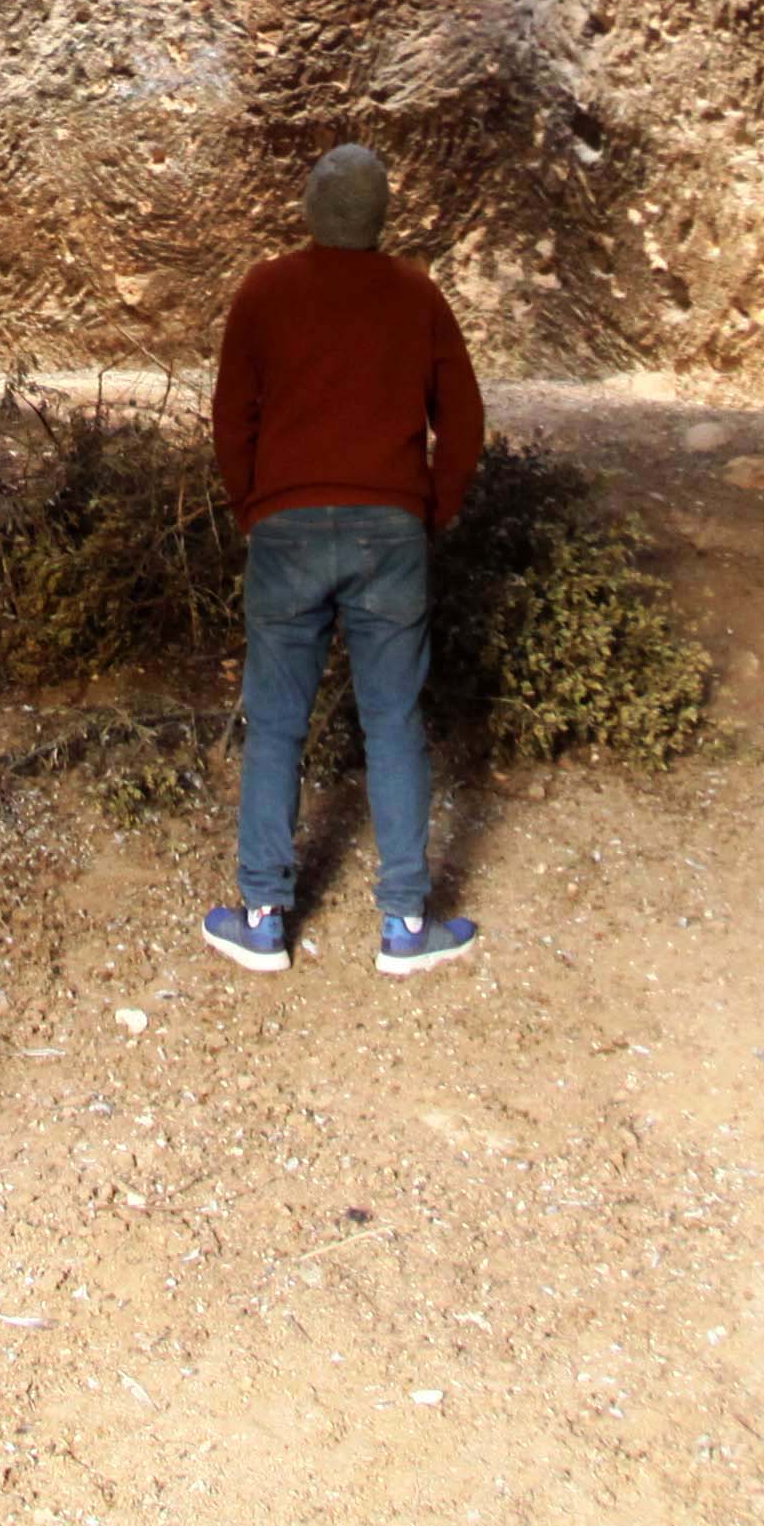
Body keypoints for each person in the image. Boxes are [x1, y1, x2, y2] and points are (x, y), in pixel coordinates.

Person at [200, 140, 488, 979]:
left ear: (309, 210)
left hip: (286, 528)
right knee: (393, 722)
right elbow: (463, 423)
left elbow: (231, 418)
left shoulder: (264, 291)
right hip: (389, 532)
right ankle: (404, 925)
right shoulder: (418, 296)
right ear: (382, 216)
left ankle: (263, 919)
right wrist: (431, 509)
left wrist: (253, 505)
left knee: (276, 724)